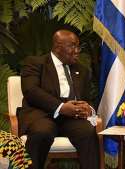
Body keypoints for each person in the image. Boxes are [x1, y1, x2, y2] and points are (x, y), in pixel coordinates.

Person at [19, 30, 100, 169]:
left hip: (72, 118)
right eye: (73, 46)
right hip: (42, 115)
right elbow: (31, 91)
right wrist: (61, 107)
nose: (77, 51)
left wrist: (88, 108)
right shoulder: (35, 63)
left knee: (88, 132)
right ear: (58, 48)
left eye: (78, 47)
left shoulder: (82, 70)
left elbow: (88, 98)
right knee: (41, 133)